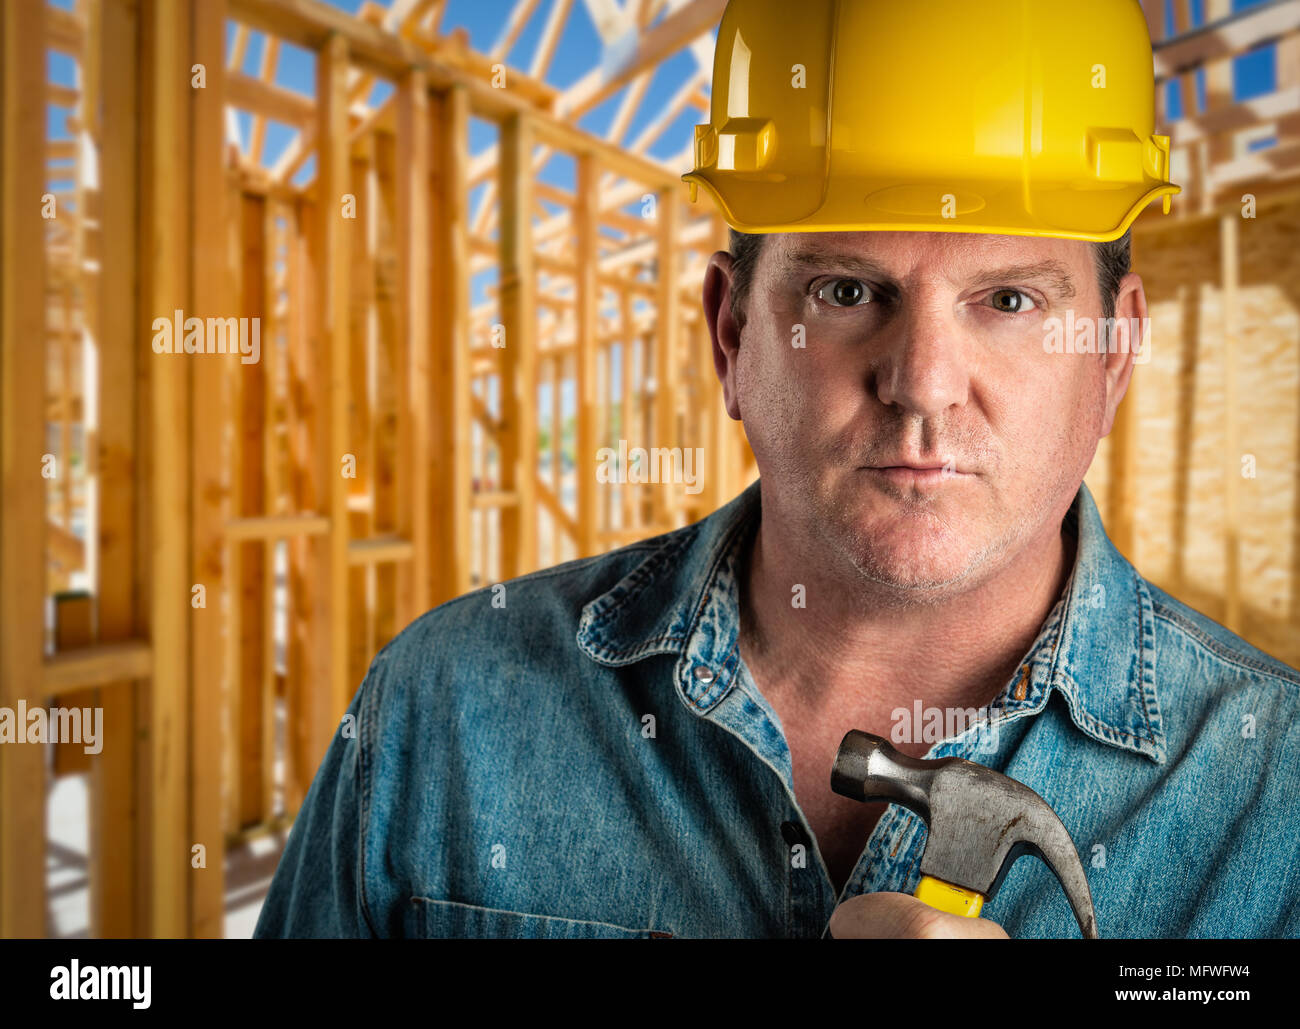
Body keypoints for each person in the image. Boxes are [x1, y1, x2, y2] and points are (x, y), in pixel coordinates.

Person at [255, 0, 1300, 938]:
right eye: (847, 292)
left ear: (1113, 355)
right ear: (731, 337)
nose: (922, 383)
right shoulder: (444, 714)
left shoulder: (1276, 795)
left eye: (1009, 300)